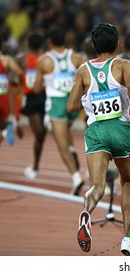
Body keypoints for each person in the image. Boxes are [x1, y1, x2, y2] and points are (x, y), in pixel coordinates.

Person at [66, 22, 130, 255]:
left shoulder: (83, 70)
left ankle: (87, 212)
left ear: (93, 46)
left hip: (96, 131)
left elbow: (71, 105)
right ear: (118, 43)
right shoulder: (123, 64)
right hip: (121, 128)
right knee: (127, 182)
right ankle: (128, 240)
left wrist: (88, 101)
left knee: (97, 186)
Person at [33, 26, 87, 195]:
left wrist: (47, 82)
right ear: (65, 41)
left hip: (56, 105)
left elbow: (35, 88)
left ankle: (76, 177)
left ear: (49, 42)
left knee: (61, 144)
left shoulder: (44, 61)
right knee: (66, 137)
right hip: (72, 104)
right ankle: (71, 149)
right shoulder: (77, 57)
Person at [15, 32, 47, 179]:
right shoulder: (46, 59)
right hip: (37, 98)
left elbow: (14, 78)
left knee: (40, 135)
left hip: (38, 97)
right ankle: (35, 166)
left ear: (28, 44)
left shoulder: (21, 59)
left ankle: (35, 166)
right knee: (40, 133)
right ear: (41, 46)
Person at [0, 49, 23, 146]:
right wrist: (17, 84)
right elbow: (20, 72)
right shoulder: (6, 60)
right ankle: (5, 131)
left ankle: (4, 131)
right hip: (4, 100)